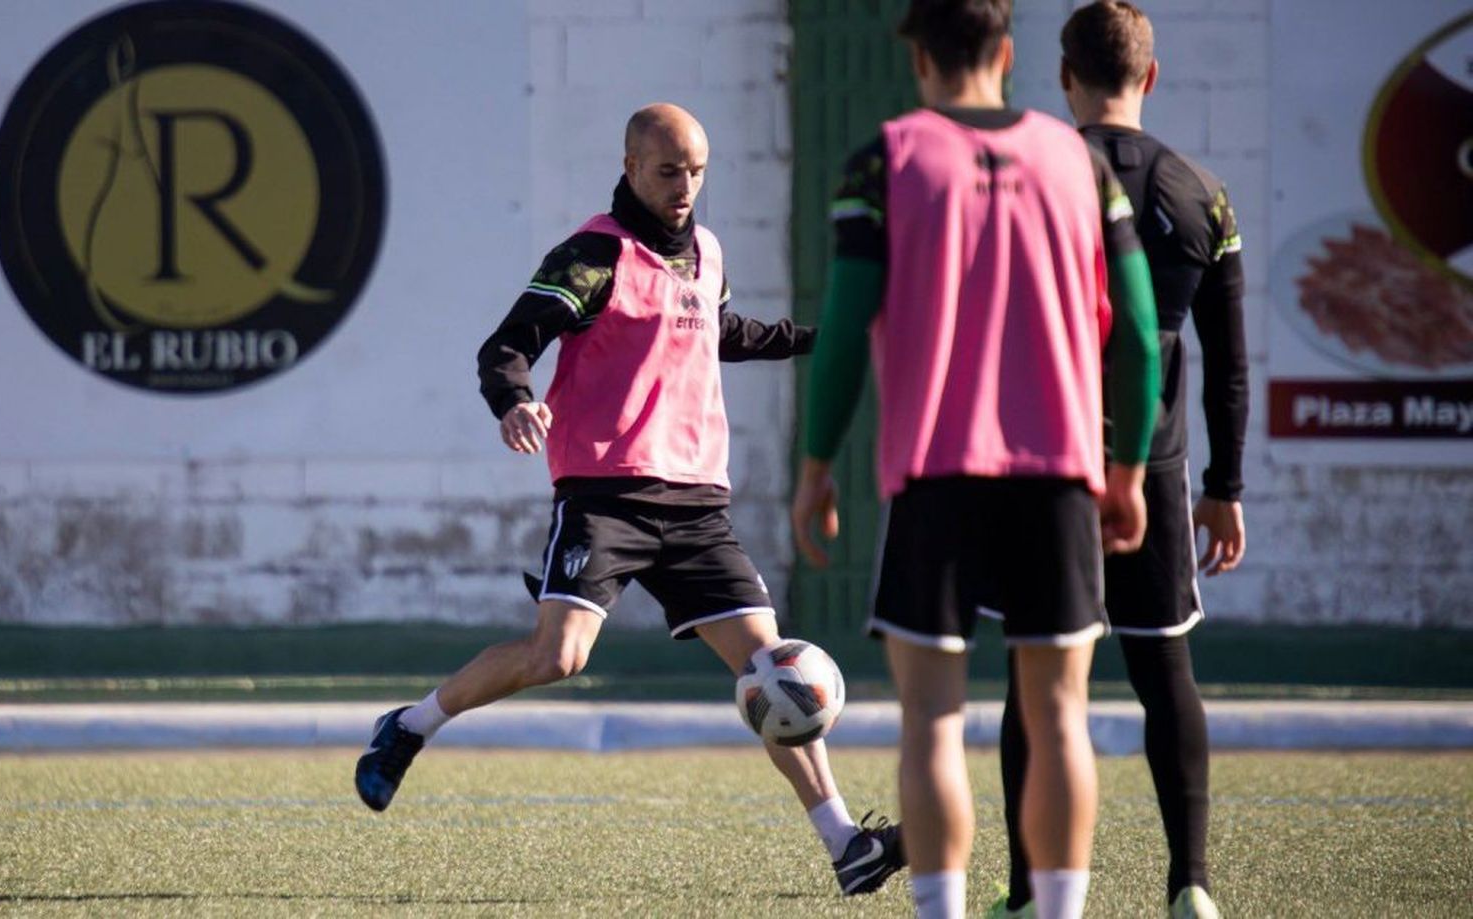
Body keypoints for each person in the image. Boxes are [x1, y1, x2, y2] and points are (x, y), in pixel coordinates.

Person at [354, 103, 908, 897]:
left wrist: (823, 340)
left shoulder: (707, 252)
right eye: (668, 171)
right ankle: (409, 726)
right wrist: (514, 400)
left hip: (696, 503)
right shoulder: (594, 254)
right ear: (630, 166)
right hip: (606, 494)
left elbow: (717, 331)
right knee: (558, 657)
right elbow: (508, 343)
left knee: (773, 669)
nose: (685, 187)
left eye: (697, 171)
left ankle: (846, 844)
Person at [790, 0, 1162, 916]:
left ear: (919, 57)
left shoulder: (883, 160)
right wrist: (1127, 469)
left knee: (933, 720)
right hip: (1061, 474)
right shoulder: (1078, 160)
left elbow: (842, 328)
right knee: (1060, 714)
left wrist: (816, 465)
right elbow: (1139, 332)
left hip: (937, 477)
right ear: (1007, 51)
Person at [992, 5, 1247, 918]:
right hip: (1157, 465)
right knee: (1165, 672)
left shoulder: (1029, 176)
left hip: (1046, 463)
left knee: (1037, 681)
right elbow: (1228, 360)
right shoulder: (1201, 192)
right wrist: (1224, 487)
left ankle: (1031, 894)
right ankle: (1192, 886)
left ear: (1064, 77)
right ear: (1151, 75)